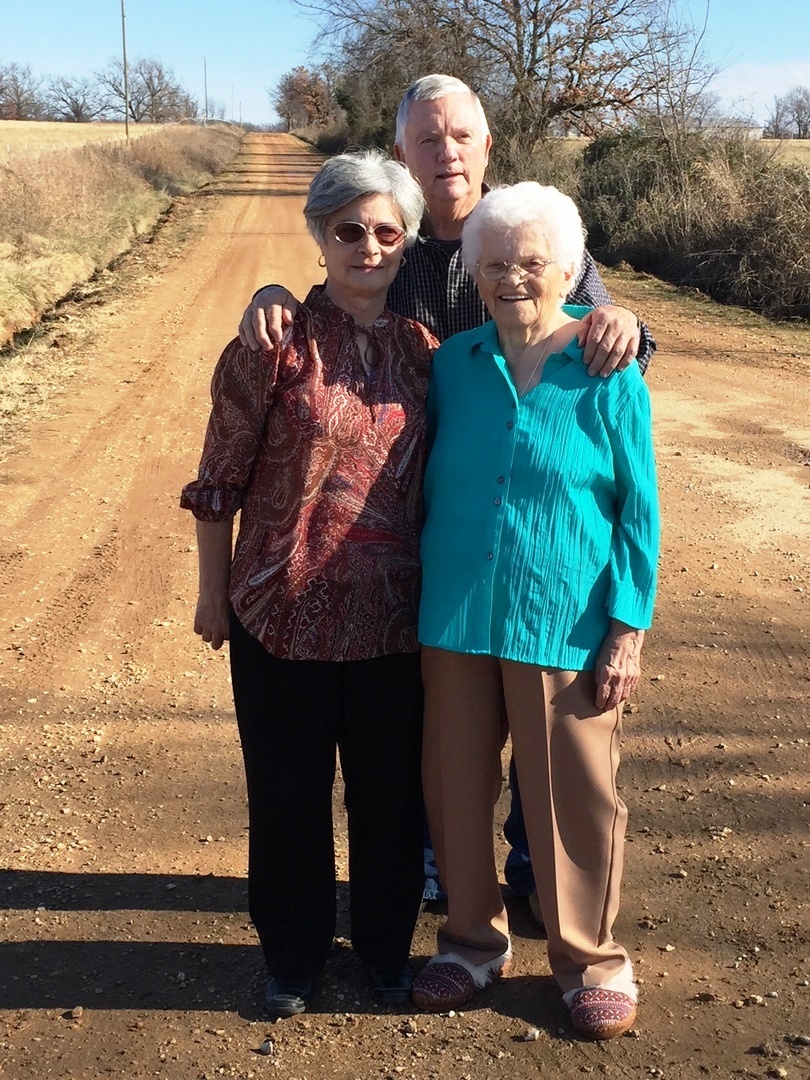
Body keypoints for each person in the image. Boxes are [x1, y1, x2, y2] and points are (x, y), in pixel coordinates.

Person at [236, 74, 657, 909]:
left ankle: (537, 869)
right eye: (427, 139)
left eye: (460, 135)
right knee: (447, 718)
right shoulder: (392, 235)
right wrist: (270, 295)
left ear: (486, 145)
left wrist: (626, 322)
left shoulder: (530, 225)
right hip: (432, 517)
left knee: (541, 698)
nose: (446, 153)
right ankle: (447, 867)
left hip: (534, 519)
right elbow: (334, 304)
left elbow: (607, 344)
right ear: (402, 152)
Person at [180, 149, 438, 1018]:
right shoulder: (271, 345)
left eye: (387, 233)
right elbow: (218, 479)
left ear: (406, 242)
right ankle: (291, 955)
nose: (369, 247)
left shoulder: (425, 352)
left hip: (394, 620)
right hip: (277, 614)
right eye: (349, 231)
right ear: (320, 237)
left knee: (390, 797)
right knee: (287, 795)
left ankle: (386, 950)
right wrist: (213, 595)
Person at [411, 182, 659, 1041]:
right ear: (472, 273)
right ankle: (471, 943)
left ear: (566, 271)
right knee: (454, 785)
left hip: (564, 617)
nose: (512, 277)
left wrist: (627, 627)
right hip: (454, 614)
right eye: (493, 264)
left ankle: (590, 961)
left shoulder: (607, 369)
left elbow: (639, 510)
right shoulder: (453, 363)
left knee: (572, 798)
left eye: (531, 262)